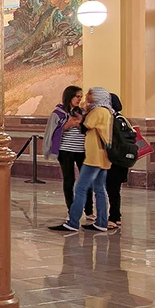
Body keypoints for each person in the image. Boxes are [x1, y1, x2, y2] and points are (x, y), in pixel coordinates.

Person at [53, 88, 114, 232]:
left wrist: (82, 116)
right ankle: (101, 222)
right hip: (103, 156)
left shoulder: (98, 112)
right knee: (99, 189)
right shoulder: (107, 112)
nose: (86, 97)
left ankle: (73, 222)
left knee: (80, 188)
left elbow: (85, 125)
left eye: (89, 94)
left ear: (98, 97)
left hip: (94, 157)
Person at [49, 86, 85, 209]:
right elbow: (52, 131)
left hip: (82, 150)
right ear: (69, 96)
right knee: (69, 180)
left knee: (86, 180)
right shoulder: (58, 113)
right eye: (77, 96)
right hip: (66, 150)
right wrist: (68, 125)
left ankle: (89, 209)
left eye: (81, 96)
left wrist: (81, 123)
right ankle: (71, 207)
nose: (79, 99)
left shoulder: (82, 112)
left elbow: (87, 129)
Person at [105, 93, 134, 227]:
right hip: (123, 158)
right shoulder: (123, 119)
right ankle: (116, 216)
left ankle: (113, 216)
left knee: (111, 188)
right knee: (115, 189)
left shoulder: (111, 119)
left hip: (114, 158)